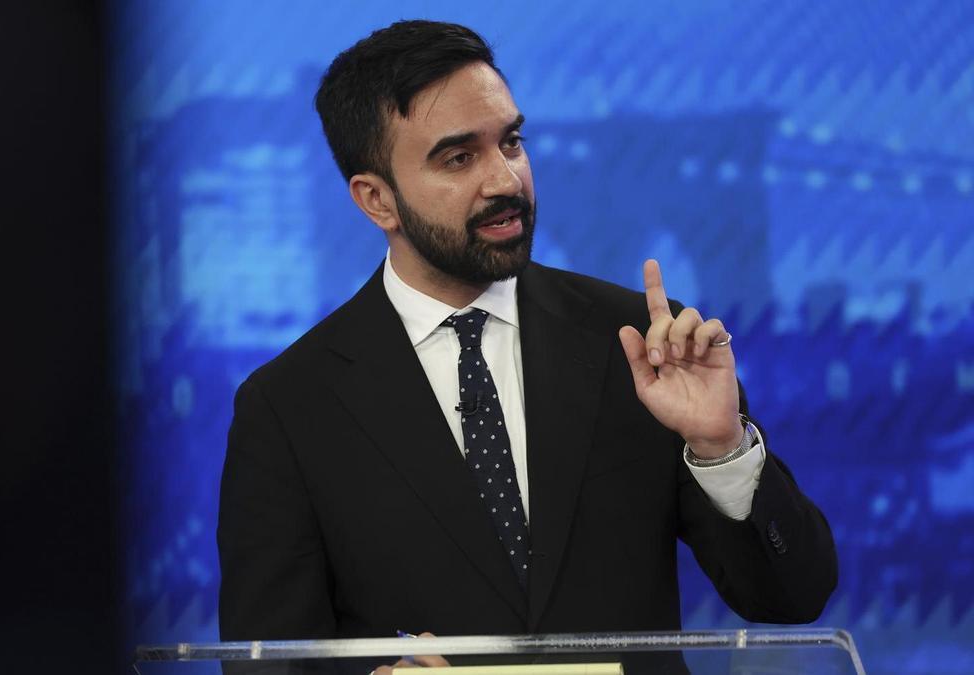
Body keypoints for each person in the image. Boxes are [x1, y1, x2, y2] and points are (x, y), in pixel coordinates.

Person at [217, 19, 837, 672]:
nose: (505, 179)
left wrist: (722, 448)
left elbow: (794, 595)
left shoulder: (644, 345)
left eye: (511, 142)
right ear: (377, 200)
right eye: (459, 157)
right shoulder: (289, 406)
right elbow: (267, 662)